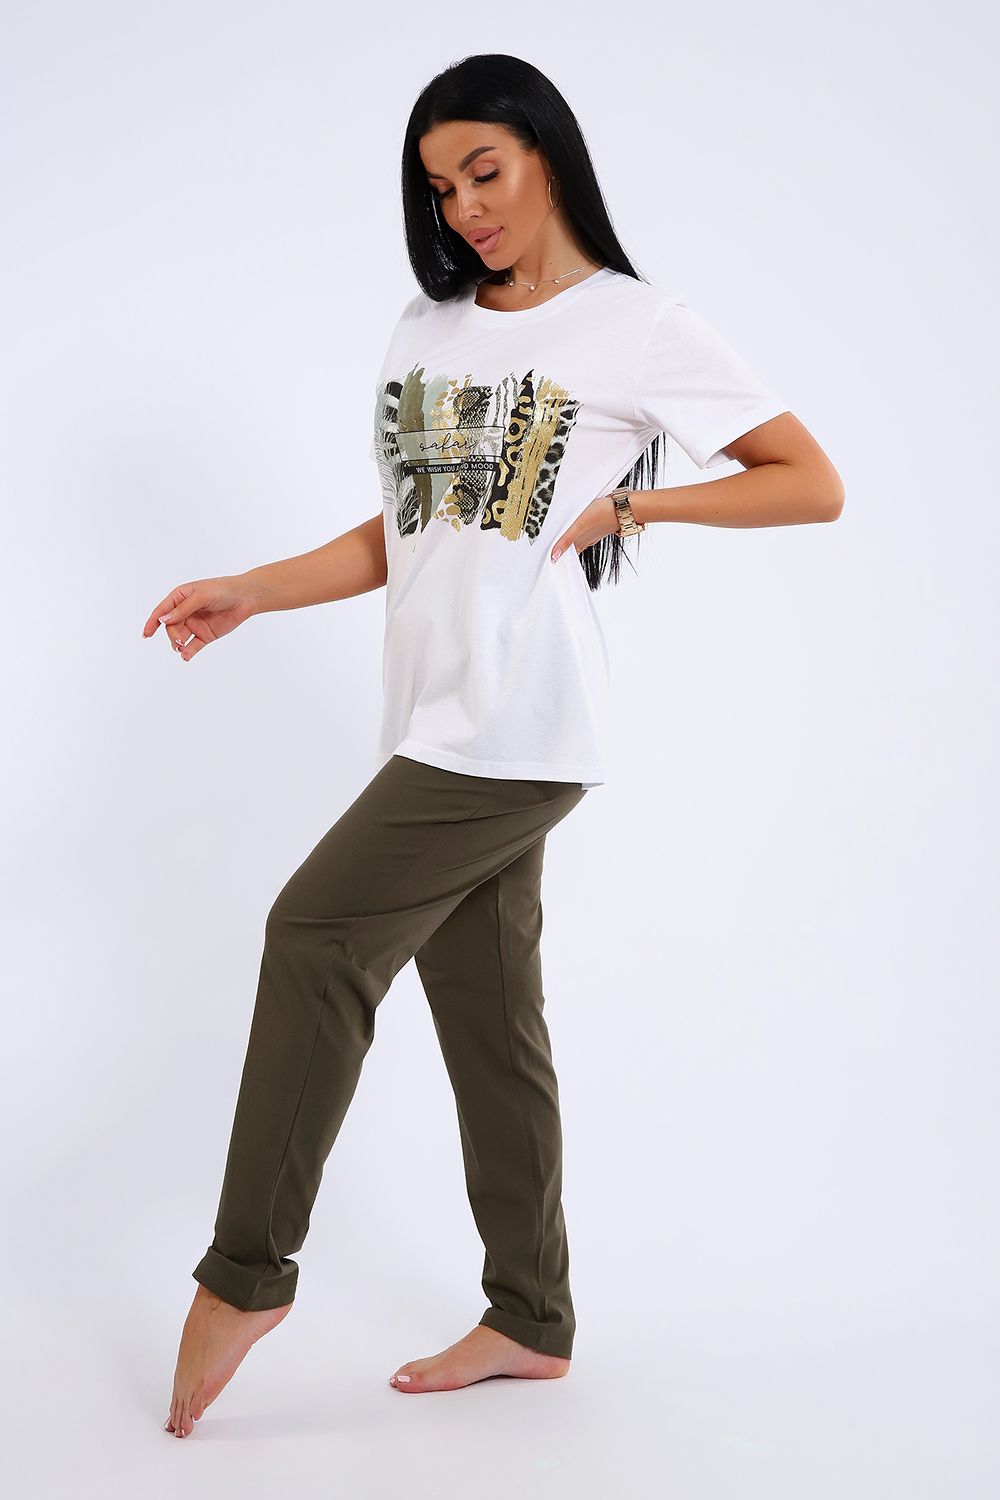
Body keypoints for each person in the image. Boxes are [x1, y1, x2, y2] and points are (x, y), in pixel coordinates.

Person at [144, 52, 844, 1439]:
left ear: (548, 158)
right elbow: (411, 528)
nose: (465, 208)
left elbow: (809, 481)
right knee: (488, 1019)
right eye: (440, 186)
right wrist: (254, 589)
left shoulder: (636, 327)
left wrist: (638, 509)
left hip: (522, 723)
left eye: (486, 171)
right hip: (435, 713)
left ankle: (246, 1275)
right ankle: (530, 1313)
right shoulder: (428, 326)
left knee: (314, 934)